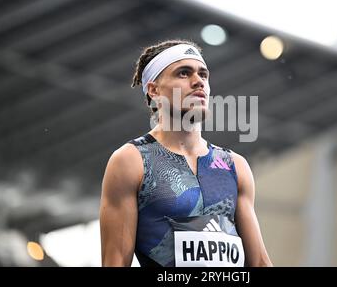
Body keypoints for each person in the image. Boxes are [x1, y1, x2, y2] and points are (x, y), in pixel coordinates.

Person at [99, 39, 272, 267]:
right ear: (154, 90)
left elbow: (259, 263)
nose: (198, 82)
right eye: (183, 73)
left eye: (203, 74)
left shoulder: (234, 166)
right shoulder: (131, 161)